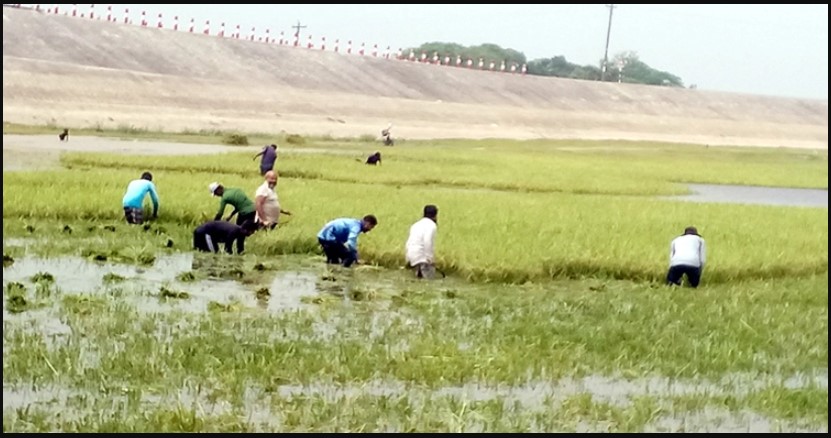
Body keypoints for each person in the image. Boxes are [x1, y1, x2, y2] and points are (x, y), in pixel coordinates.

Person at [405, 205, 439, 279]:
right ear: (435, 215)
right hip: (422, 258)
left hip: (412, 257)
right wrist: (430, 258)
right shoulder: (431, 225)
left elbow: (409, 242)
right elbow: (427, 241)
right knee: (428, 281)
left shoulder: (415, 225)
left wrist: (408, 257)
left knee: (417, 280)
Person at [193, 220, 258, 254]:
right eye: (252, 231)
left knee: (213, 252)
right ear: (246, 230)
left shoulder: (241, 233)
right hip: (203, 233)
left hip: (210, 235)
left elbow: (240, 248)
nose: (252, 233)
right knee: (212, 254)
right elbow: (227, 248)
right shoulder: (233, 232)